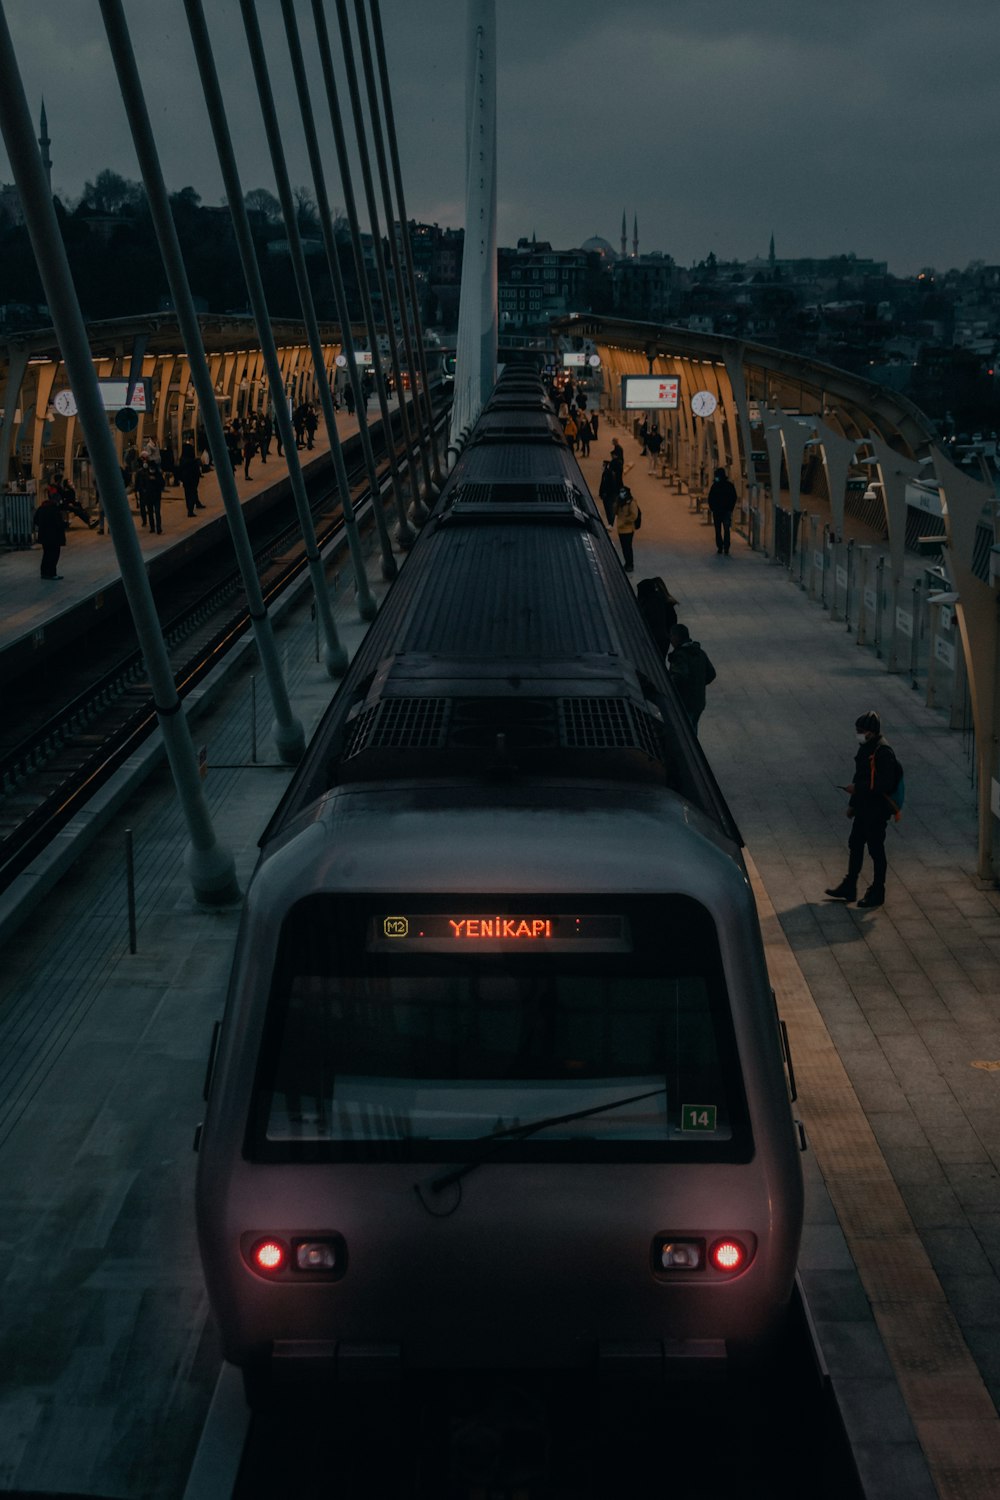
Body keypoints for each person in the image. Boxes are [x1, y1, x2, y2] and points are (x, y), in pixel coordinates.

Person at [826, 711, 898, 909]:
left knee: (876, 849)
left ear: (872, 732)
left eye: (861, 731)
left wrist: (857, 790)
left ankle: (877, 890)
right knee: (855, 844)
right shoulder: (866, 747)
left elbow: (884, 784)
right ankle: (850, 885)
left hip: (877, 811)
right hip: (864, 808)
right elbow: (860, 775)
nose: (858, 734)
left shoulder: (883, 752)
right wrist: (853, 804)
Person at [668, 622, 716, 733]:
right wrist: (698, 683)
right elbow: (711, 674)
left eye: (671, 636)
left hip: (685, 702)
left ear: (676, 637)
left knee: (685, 732)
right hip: (699, 701)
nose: (670, 639)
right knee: (693, 729)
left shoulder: (680, 656)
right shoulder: (700, 652)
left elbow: (679, 676)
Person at [636, 577, 679, 659]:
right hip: (663, 639)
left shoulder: (652, 604)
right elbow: (672, 622)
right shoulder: (665, 604)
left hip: (656, 639)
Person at [33, 487, 66, 578]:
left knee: (46, 554)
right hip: (54, 537)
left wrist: (43, 527)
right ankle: (51, 573)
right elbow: (59, 523)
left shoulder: (42, 507)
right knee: (54, 555)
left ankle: (44, 572)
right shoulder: (54, 509)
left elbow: (35, 520)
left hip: (44, 536)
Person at [707, 466, 738, 555]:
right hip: (726, 512)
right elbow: (734, 497)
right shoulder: (729, 486)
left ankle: (720, 546)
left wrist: (712, 507)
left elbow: (710, 497)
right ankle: (726, 547)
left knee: (718, 530)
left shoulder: (715, 486)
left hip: (717, 511)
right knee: (726, 529)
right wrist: (730, 508)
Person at [134, 456, 165, 533]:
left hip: (155, 495)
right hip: (149, 495)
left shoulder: (157, 474)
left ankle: (158, 527)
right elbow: (142, 483)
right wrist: (143, 490)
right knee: (151, 512)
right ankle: (152, 527)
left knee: (156, 512)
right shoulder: (144, 473)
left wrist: (155, 481)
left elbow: (162, 483)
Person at [614, 485, 639, 573]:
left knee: (627, 547)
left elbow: (634, 516)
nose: (621, 494)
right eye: (621, 492)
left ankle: (630, 564)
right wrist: (617, 502)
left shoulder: (631, 503)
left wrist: (625, 521)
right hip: (620, 529)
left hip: (628, 530)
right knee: (624, 548)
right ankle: (627, 563)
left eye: (623, 492)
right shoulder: (620, 502)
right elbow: (615, 512)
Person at [177, 442, 204, 516]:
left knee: (187, 494)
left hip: (185, 479)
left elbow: (180, 470)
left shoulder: (182, 459)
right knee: (193, 493)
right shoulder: (193, 461)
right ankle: (191, 509)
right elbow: (196, 470)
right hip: (193, 479)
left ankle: (190, 508)